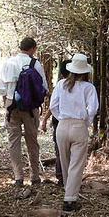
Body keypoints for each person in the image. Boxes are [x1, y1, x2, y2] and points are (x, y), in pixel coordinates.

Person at [49, 53, 99, 212]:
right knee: (76, 165)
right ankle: (70, 199)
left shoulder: (61, 84)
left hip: (62, 127)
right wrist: (85, 123)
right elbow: (93, 109)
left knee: (65, 162)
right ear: (85, 71)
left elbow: (52, 106)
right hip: (79, 127)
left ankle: (68, 193)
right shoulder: (88, 87)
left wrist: (62, 119)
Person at [0, 37, 49, 187]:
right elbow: (44, 88)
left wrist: (7, 102)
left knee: (14, 142)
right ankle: (34, 176)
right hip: (30, 108)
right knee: (32, 141)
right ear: (33, 48)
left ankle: (18, 177)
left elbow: (1, 87)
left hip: (11, 105)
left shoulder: (8, 63)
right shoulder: (35, 64)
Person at [41, 58, 72, 186]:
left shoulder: (60, 85)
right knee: (68, 150)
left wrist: (47, 119)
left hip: (60, 121)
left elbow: (53, 105)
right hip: (71, 122)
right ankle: (68, 178)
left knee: (60, 150)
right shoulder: (82, 86)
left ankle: (62, 177)